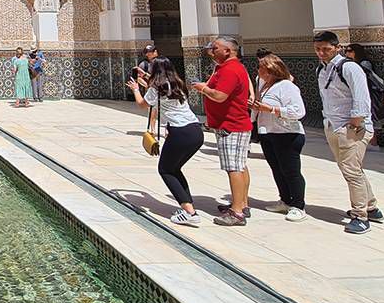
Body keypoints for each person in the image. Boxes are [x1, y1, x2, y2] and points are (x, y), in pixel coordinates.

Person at [314, 30, 382, 233]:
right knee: (351, 169)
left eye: (326, 49)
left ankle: (360, 216)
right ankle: (371, 207)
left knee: (351, 171)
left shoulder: (349, 67)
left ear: (337, 48)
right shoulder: (322, 69)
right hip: (333, 125)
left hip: (352, 127)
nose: (321, 53)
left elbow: (361, 97)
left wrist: (355, 122)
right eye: (318, 49)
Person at [127, 57, 204, 227]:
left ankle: (190, 213)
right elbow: (160, 83)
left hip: (180, 133)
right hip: (195, 131)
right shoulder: (177, 84)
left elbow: (142, 104)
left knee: (165, 170)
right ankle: (188, 207)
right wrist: (145, 75)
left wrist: (135, 89)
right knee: (174, 169)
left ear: (155, 71)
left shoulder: (156, 88)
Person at [192, 37, 252, 226]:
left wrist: (203, 88)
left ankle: (237, 213)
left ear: (227, 51)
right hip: (233, 124)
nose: (211, 50)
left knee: (233, 168)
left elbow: (219, 96)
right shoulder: (228, 68)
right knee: (239, 165)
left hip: (231, 125)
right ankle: (242, 204)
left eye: (215, 47)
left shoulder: (230, 70)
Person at [251, 53, 308, 222]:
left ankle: (298, 205)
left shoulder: (286, 86)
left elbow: (298, 111)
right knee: (277, 169)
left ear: (271, 69)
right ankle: (285, 200)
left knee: (291, 171)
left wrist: (272, 110)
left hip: (287, 134)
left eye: (261, 68)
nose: (258, 70)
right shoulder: (264, 85)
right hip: (268, 132)